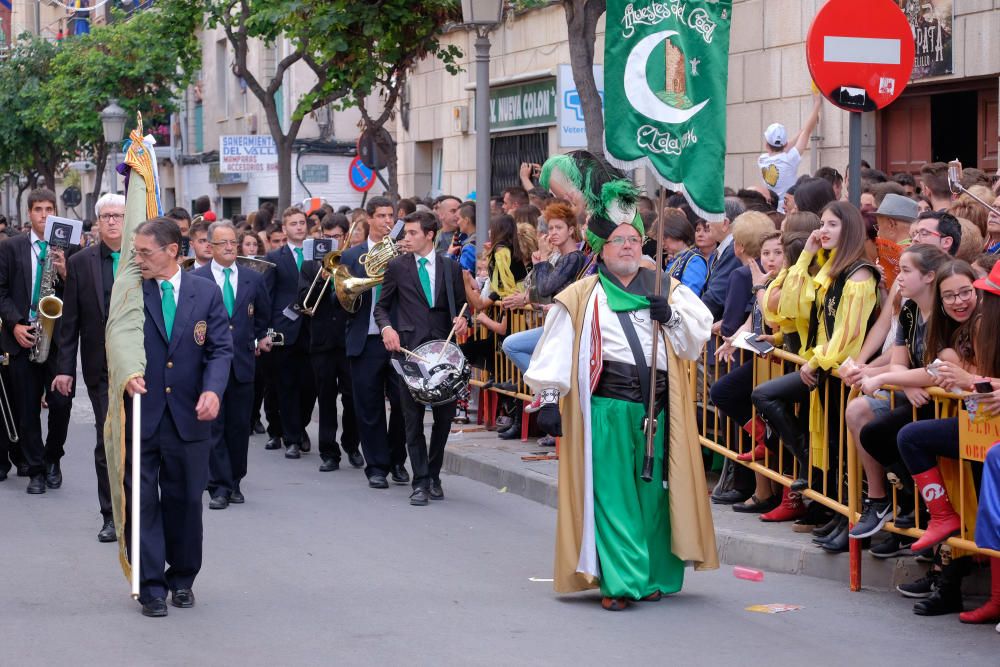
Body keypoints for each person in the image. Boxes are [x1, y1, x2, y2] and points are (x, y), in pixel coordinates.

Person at [524, 197, 717, 611]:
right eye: (618, 241)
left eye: (634, 239)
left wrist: (671, 318)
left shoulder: (667, 288)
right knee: (613, 497)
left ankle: (647, 575)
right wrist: (550, 399)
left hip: (659, 409)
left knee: (653, 496)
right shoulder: (581, 296)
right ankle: (620, 581)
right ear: (601, 249)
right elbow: (557, 348)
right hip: (608, 409)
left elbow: (695, 340)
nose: (628, 246)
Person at [125, 217, 232, 617]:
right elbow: (115, 338)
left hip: (190, 414)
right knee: (143, 502)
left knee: (186, 499)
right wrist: (125, 371)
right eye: (136, 252)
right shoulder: (132, 291)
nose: (138, 259)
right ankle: (150, 585)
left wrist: (212, 389)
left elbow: (220, 348)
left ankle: (182, 578)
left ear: (172, 251)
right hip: (142, 410)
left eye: (144, 252)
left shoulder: (204, 292)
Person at [751, 201, 879, 497]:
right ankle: (815, 478)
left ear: (850, 229)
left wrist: (817, 362)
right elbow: (786, 307)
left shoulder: (859, 273)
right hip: (822, 364)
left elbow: (848, 332)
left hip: (836, 367)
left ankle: (841, 510)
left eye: (832, 224)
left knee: (838, 443)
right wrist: (806, 252)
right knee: (828, 439)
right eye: (822, 224)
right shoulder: (829, 267)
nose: (823, 231)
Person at [375, 211, 468, 505]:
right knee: (411, 418)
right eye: (406, 234)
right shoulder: (397, 267)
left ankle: (434, 474)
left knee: (444, 418)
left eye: (413, 233)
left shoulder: (450, 267)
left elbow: (462, 307)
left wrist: (465, 322)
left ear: (430, 235)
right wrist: (387, 328)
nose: (406, 238)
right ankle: (420, 481)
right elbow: (382, 307)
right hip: (410, 351)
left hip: (444, 352)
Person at [51, 193, 125, 538]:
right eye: (106, 216)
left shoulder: (142, 258)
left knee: (141, 441)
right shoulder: (81, 262)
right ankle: (110, 515)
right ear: (97, 222)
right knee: (106, 440)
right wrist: (65, 368)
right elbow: (71, 323)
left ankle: (137, 510)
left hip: (141, 368)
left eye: (118, 215)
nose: (112, 221)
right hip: (101, 370)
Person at [0, 188, 73, 494]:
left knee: (61, 402)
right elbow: (1, 292)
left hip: (55, 339)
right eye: (39, 209)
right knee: (27, 407)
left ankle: (53, 456)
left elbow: (80, 298)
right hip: (22, 336)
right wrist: (16, 324)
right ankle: (36, 470)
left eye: (49, 209)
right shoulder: (11, 248)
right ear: (29, 214)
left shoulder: (69, 248)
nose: (44, 215)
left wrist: (65, 272)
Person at [193, 221, 271, 509]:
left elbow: (263, 316)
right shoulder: (197, 278)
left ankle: (236, 480)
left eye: (232, 242)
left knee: (239, 426)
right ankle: (219, 486)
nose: (228, 247)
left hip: (242, 364)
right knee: (214, 426)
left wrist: (258, 338)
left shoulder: (253, 278)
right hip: (208, 366)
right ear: (210, 246)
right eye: (222, 242)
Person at [341, 196, 408, 488]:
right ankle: (377, 467)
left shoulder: (403, 255)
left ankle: (397, 459)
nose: (387, 221)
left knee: (404, 404)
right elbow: (340, 297)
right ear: (369, 219)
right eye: (381, 216)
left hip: (397, 338)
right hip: (365, 338)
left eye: (391, 216)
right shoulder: (352, 256)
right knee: (368, 407)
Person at [299, 214, 363, 472]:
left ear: (345, 236)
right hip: (322, 340)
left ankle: (351, 443)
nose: (333, 241)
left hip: (348, 338)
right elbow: (304, 301)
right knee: (325, 398)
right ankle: (328, 451)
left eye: (338, 236)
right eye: (328, 237)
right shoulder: (310, 265)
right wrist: (323, 280)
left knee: (352, 398)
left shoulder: (355, 261)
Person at [263, 207, 316, 459]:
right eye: (293, 223)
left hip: (312, 329)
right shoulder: (275, 257)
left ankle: (300, 426)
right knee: (286, 386)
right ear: (284, 229)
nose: (298, 227)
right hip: (284, 331)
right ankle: (291, 437)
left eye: (301, 222)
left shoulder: (318, 254)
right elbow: (268, 297)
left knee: (309, 387)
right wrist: (268, 331)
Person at [758, 93, 822, 212]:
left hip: (770, 210)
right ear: (785, 144)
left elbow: (786, 147)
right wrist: (817, 104)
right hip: (787, 209)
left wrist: (804, 128)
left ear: (766, 145)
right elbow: (806, 133)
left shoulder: (762, 160)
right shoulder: (789, 159)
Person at [700, 197, 746, 321]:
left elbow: (716, 297)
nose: (707, 223)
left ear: (725, 223)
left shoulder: (733, 250)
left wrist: (692, 318)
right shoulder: (728, 248)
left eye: (711, 217)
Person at [662, 207, 709, 295]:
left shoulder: (694, 260)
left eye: (665, 238)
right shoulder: (676, 257)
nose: (662, 243)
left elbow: (689, 295)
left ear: (677, 232)